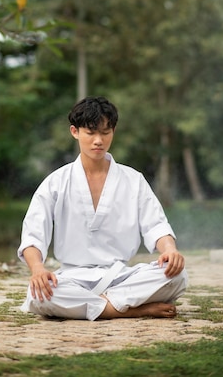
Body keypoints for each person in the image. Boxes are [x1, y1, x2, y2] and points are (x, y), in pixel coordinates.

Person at [18, 96, 188, 320]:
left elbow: (156, 225)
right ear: (74, 132)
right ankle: (132, 309)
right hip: (72, 278)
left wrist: (169, 250)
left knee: (177, 277)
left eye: (105, 132)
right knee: (38, 294)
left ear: (113, 131)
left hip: (121, 276)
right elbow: (33, 235)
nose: (98, 140)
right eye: (90, 133)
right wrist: (38, 269)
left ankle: (96, 307)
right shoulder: (56, 182)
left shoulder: (133, 179)